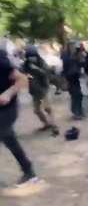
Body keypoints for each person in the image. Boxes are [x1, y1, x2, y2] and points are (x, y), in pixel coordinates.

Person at [0, 49, 38, 184]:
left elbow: (23, 79)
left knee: (6, 134)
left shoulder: (1, 62)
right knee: (8, 137)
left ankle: (29, 171)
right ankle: (29, 171)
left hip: (7, 108)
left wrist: (8, 93)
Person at [23, 46, 59, 136]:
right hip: (34, 91)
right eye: (29, 56)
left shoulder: (41, 62)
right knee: (36, 110)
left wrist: (36, 69)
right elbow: (23, 73)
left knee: (47, 108)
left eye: (33, 56)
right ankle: (46, 124)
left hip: (43, 89)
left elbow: (46, 73)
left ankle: (54, 126)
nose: (31, 58)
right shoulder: (26, 65)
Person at [62, 41, 85, 120]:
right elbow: (65, 67)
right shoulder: (66, 56)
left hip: (76, 77)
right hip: (70, 78)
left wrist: (81, 56)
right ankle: (76, 112)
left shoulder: (77, 54)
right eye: (72, 46)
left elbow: (82, 63)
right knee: (75, 95)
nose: (74, 48)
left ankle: (78, 110)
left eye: (74, 46)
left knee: (79, 95)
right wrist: (65, 79)